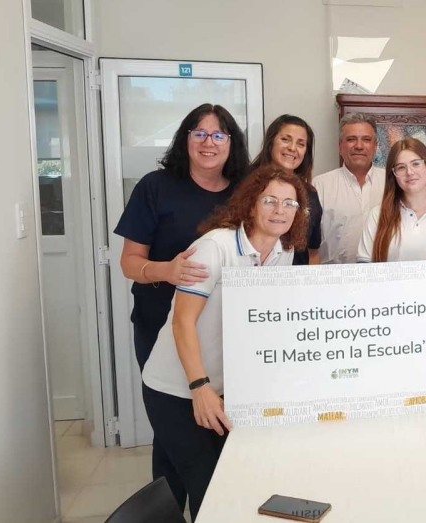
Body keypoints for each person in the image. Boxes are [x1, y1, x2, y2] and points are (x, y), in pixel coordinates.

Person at [141, 166, 310, 520]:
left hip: (227, 390)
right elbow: (182, 322)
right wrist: (200, 388)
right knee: (209, 488)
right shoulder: (213, 247)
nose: (280, 210)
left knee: (218, 480)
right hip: (177, 388)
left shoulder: (284, 251)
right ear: (250, 204)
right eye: (270, 200)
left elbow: (267, 325)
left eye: (290, 204)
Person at [114, 103, 248, 509]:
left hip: (224, 337)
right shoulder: (155, 187)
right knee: (174, 433)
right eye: (199, 134)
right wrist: (167, 270)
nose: (209, 143)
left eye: (218, 135)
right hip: (161, 329)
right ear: (185, 140)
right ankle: (169, 510)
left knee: (213, 431)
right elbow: (129, 263)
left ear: (231, 143)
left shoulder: (245, 191)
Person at [357, 138, 426, 262]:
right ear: (393, 175)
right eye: (401, 167)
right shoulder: (377, 215)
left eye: (416, 164)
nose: (409, 172)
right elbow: (364, 265)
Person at [314, 112, 386, 263]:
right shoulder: (320, 186)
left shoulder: (392, 182)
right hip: (334, 279)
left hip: (384, 277)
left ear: (375, 146)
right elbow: (309, 244)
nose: (359, 146)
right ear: (340, 146)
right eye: (351, 139)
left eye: (366, 140)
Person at [250, 114, 321, 265]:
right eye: (285, 139)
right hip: (249, 279)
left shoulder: (310, 195)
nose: (292, 148)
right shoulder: (245, 185)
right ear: (271, 143)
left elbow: (313, 252)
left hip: (295, 283)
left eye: (301, 144)